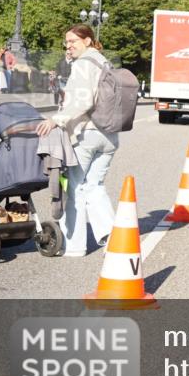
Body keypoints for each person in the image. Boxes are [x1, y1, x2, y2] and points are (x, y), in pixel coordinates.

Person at [36, 25, 119, 257]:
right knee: (95, 186)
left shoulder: (84, 64)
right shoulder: (103, 62)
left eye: (73, 41)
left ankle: (74, 246)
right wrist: (71, 59)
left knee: (75, 189)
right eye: (67, 42)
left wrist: (57, 120)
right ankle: (113, 236)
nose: (68, 45)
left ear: (88, 41)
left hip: (86, 134)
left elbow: (83, 102)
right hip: (109, 135)